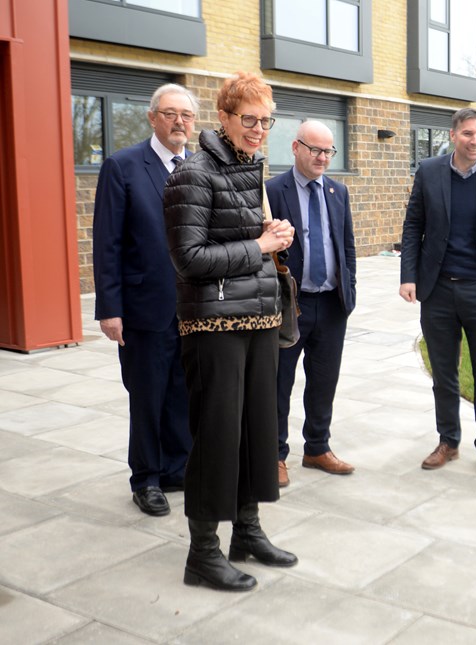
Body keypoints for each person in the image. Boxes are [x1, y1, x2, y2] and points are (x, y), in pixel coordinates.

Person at [164, 72, 298, 592]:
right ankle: (202, 553)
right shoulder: (192, 176)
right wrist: (262, 247)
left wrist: (273, 239)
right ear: (222, 117)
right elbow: (189, 259)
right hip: (213, 325)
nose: (259, 130)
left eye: (266, 121)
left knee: (255, 432)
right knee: (217, 437)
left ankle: (247, 531)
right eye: (249, 120)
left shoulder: (252, 169)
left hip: (260, 319)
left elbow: (250, 243)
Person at [399, 108, 476, 478]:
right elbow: (413, 226)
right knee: (444, 373)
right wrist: (410, 276)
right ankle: (448, 441)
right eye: (469, 134)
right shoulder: (430, 171)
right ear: (453, 135)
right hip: (437, 291)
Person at [93, 83, 196, 517]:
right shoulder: (123, 166)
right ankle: (147, 478)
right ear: (153, 118)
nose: (179, 122)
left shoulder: (201, 167)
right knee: (148, 395)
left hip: (196, 308)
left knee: (183, 393)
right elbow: (107, 242)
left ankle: (177, 469)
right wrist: (110, 308)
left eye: (187, 115)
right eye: (170, 113)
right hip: (144, 308)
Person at [267, 120, 357, 487]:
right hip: (291, 305)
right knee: (278, 381)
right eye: (316, 150)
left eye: (328, 151)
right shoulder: (272, 191)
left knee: (324, 380)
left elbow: (346, 245)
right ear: (295, 147)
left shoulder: (338, 191)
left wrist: (348, 289)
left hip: (331, 305)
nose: (322, 157)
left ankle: (317, 447)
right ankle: (274, 454)